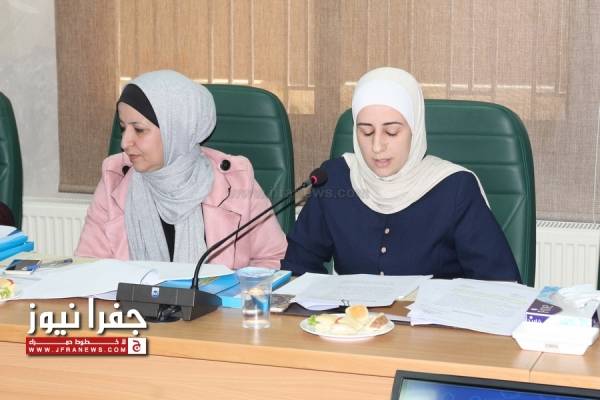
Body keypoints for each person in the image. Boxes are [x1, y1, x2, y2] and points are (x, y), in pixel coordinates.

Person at [282, 67, 521, 281]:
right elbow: (297, 267)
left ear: (414, 131)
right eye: (366, 132)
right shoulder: (334, 179)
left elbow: (499, 283)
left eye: (392, 132)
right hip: (353, 316)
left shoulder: (455, 188)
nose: (377, 146)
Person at [76, 70, 286, 268]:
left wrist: (238, 292)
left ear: (176, 130)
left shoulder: (237, 180)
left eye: (139, 130)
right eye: (123, 128)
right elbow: (89, 265)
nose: (125, 142)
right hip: (131, 296)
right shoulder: (114, 179)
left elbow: (273, 259)